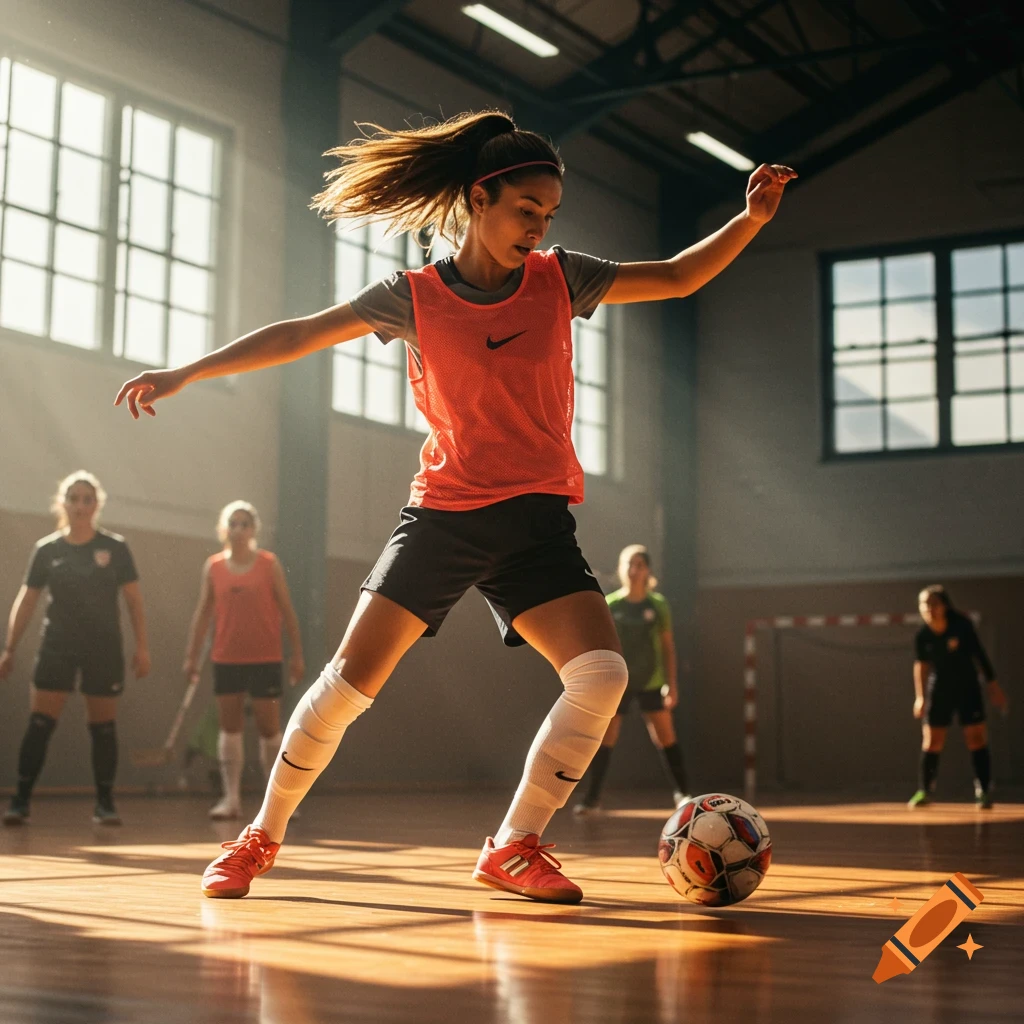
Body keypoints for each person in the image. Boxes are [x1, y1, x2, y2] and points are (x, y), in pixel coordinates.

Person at [114, 109, 795, 903]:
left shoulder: (560, 278)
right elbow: (299, 333)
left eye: (548, 216)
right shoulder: (414, 297)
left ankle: (514, 845)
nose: (538, 230)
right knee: (346, 686)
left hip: (536, 521)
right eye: (525, 211)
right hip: (444, 516)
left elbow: (677, 276)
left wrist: (749, 221)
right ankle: (258, 837)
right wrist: (184, 373)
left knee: (603, 676)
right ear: (480, 199)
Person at [0, 471, 150, 825]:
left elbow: (134, 601)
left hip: (103, 649)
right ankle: (20, 800)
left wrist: (142, 647)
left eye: (87, 499)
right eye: (73, 498)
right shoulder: (47, 550)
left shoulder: (115, 548)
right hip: (57, 647)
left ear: (96, 505)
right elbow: (27, 600)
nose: (80, 505)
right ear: (62, 503)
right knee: (39, 723)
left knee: (103, 726)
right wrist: (10, 648)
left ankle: (104, 803)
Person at [183, 501, 305, 819]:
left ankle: (278, 804)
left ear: (254, 530)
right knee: (230, 727)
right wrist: (191, 656)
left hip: (265, 658)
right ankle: (231, 799)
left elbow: (287, 610)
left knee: (269, 729)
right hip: (227, 659)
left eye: (245, 523)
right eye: (233, 523)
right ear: (224, 529)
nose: (238, 529)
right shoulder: (214, 567)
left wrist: (297, 655)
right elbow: (202, 613)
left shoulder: (268, 564)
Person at [574, 545, 688, 815]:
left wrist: (671, 683)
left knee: (665, 736)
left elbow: (667, 646)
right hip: (618, 683)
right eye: (629, 564)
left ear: (647, 570)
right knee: (606, 738)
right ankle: (592, 800)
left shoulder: (658, 604)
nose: (634, 570)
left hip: (651, 681)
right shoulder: (611, 604)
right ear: (621, 569)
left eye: (640, 565)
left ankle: (683, 795)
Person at [909, 585, 1007, 809]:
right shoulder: (923, 636)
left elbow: (979, 656)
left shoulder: (962, 627)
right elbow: (921, 667)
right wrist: (920, 697)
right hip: (940, 690)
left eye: (933, 604)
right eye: (924, 605)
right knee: (932, 741)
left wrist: (993, 686)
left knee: (976, 738)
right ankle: (925, 790)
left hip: (967, 688)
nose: (929, 609)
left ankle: (983, 790)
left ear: (944, 606)